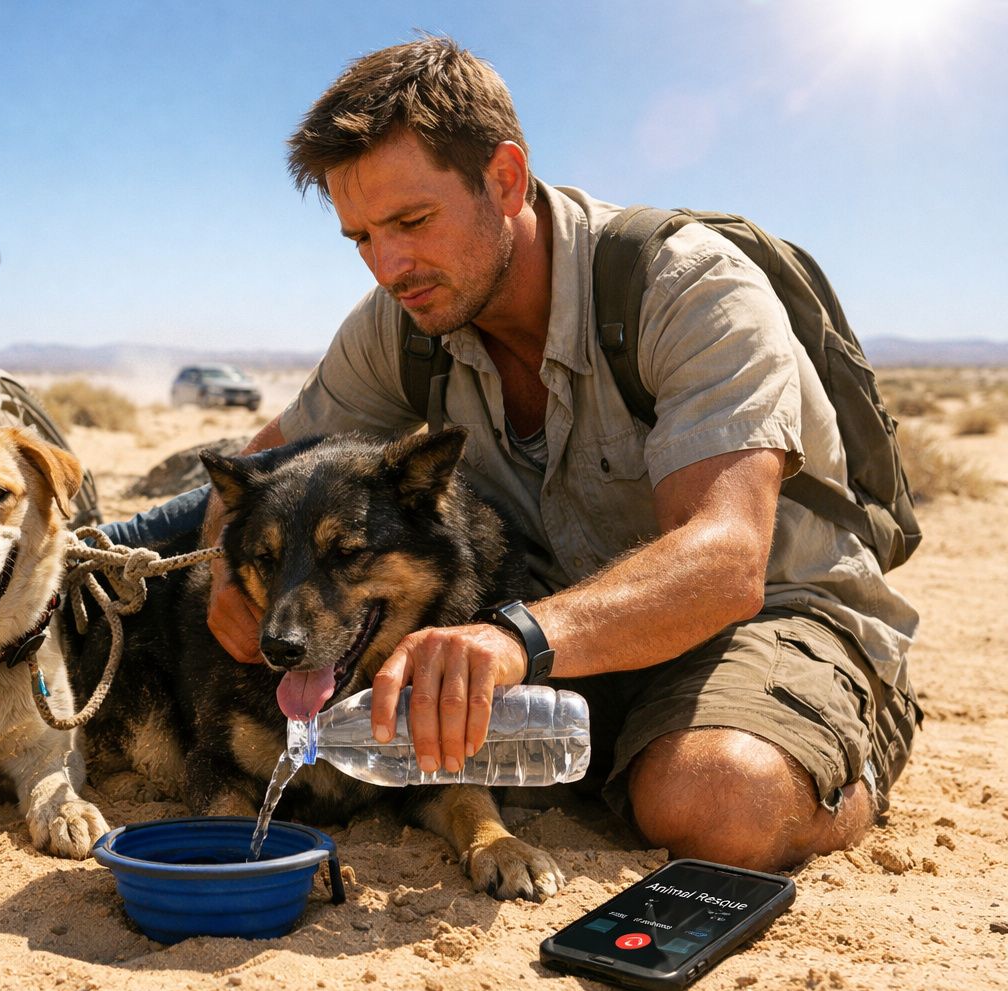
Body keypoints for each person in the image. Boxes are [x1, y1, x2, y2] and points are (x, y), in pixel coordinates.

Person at [104, 36, 920, 873]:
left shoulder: (690, 289)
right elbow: (263, 467)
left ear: (504, 177)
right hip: (558, 637)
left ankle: (841, 753)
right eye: (361, 238)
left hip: (756, 619)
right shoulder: (405, 318)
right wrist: (229, 583)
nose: (388, 266)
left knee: (712, 801)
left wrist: (509, 640)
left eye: (412, 222)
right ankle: (623, 758)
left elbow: (726, 562)